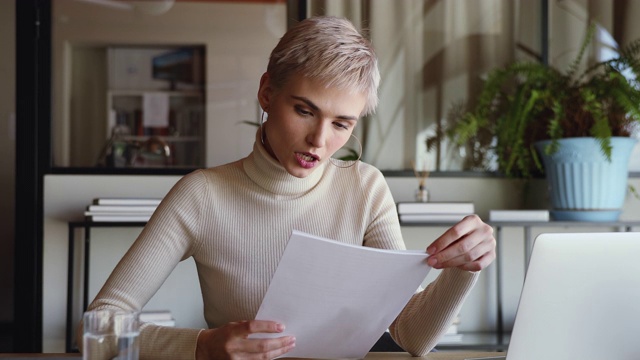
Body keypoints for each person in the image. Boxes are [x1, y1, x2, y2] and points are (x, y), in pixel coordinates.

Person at [78, 16, 496, 360]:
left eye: (341, 124)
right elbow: (99, 323)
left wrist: (465, 269)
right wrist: (201, 346)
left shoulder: (365, 189)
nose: (319, 140)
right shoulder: (201, 195)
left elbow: (413, 336)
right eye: (304, 110)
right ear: (266, 92)